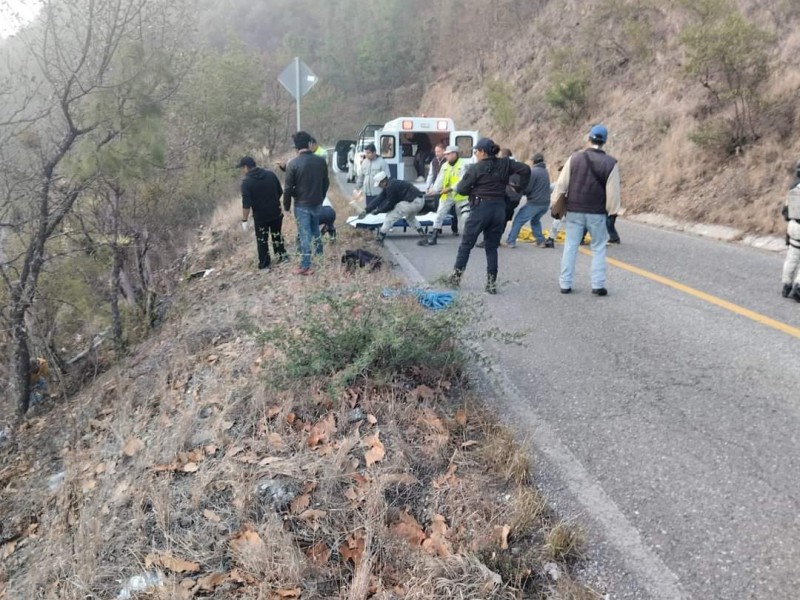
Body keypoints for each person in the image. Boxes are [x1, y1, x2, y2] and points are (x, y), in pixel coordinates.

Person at [445, 137, 531, 294]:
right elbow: (525, 169)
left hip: (480, 209)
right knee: (491, 248)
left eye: (476, 151)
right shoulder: (505, 163)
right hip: (499, 209)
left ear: (483, 152)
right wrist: (520, 188)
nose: (475, 154)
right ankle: (491, 284)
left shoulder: (475, 168)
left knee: (466, 245)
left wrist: (472, 189)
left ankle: (456, 278)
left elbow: (462, 189)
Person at [551, 124, 621, 296]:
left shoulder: (574, 158)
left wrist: (555, 204)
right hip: (596, 212)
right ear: (604, 141)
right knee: (598, 247)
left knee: (571, 246)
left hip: (574, 210)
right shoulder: (611, 163)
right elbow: (613, 194)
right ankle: (597, 285)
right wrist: (612, 211)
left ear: (589, 138)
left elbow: (561, 184)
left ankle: (565, 283)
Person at [283, 131, 329, 276]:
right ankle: (320, 256)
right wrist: (321, 197)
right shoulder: (320, 161)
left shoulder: (293, 164)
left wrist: (286, 206)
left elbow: (288, 188)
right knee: (315, 229)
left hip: (301, 204)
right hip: (316, 202)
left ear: (296, 147)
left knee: (304, 234)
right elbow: (325, 182)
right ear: (309, 144)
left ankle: (305, 265)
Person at [237, 156, 287, 270]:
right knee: (277, 235)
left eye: (242, 168)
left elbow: (246, 204)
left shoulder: (246, 182)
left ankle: (265, 264)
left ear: (245, 167)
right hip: (275, 212)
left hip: (260, 216)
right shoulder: (270, 174)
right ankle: (282, 256)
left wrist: (244, 220)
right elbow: (279, 191)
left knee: (262, 240)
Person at [419, 145, 470, 246]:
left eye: (448, 154)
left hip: (461, 195)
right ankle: (434, 237)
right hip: (447, 195)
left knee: (465, 217)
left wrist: (450, 188)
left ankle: (467, 238)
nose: (445, 156)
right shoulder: (445, 166)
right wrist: (434, 190)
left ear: (455, 154)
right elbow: (439, 180)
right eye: (445, 154)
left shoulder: (463, 165)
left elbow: (462, 180)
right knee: (439, 215)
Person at [505, 153, 552, 248]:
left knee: (518, 220)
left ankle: (510, 241)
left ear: (533, 161)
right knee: (535, 221)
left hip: (535, 203)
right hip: (545, 204)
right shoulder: (545, 171)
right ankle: (540, 241)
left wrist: (517, 189)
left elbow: (527, 188)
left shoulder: (533, 172)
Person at [368, 172, 426, 245]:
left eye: (379, 184)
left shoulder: (391, 187)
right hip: (420, 200)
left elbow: (390, 204)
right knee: (410, 218)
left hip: (412, 202)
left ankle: (380, 239)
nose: (379, 186)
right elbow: (380, 198)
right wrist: (367, 209)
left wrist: (378, 210)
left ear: (384, 181)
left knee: (390, 217)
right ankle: (423, 237)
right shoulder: (392, 184)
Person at [781, 160, 800, 300]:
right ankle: (798, 289)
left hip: (793, 226)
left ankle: (786, 285)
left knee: (792, 257)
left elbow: (786, 211)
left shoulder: (794, 187)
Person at [356, 143, 391, 212]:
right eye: (366, 153)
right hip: (368, 194)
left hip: (378, 194)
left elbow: (387, 177)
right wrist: (357, 188)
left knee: (378, 212)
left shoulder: (382, 162)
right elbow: (361, 176)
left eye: (368, 153)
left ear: (374, 152)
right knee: (369, 212)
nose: (367, 154)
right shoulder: (364, 162)